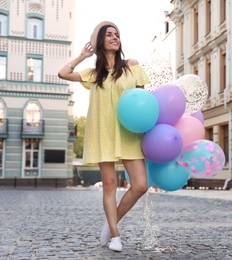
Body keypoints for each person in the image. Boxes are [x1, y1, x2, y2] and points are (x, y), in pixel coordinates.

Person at [58, 21, 150, 252]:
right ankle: (116, 236)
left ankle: (110, 223)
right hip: (104, 134)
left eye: (117, 34)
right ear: (101, 41)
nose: (114, 37)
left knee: (140, 185)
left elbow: (144, 101)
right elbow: (63, 73)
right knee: (109, 185)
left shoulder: (132, 66)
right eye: (109, 34)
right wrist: (81, 55)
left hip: (128, 133)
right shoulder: (93, 74)